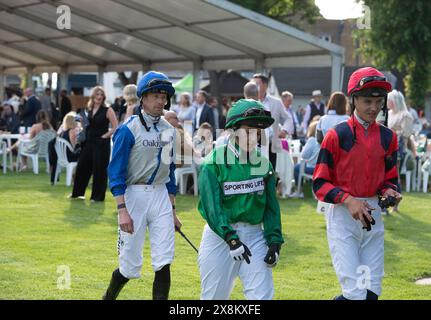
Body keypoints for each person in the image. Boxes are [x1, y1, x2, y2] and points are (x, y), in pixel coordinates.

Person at [312, 67, 402, 300]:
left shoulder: (388, 137)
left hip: (373, 215)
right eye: (366, 101)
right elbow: (319, 183)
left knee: (371, 291)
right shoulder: (336, 135)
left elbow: (389, 179)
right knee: (354, 293)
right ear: (353, 100)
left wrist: (390, 191)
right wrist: (348, 199)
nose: (374, 107)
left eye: (378, 101)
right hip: (343, 216)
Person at [103, 71, 182, 300]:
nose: (162, 101)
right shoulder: (128, 129)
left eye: (164, 96)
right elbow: (115, 172)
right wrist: (121, 209)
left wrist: (173, 211)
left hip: (160, 198)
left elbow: (170, 173)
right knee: (128, 267)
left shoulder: (168, 129)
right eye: (157, 95)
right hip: (133, 196)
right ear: (143, 97)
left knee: (164, 261)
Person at [197, 98, 284, 300]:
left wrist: (274, 242)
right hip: (220, 237)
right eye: (248, 130)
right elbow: (212, 209)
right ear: (233, 129)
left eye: (259, 131)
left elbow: (271, 208)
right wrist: (231, 238)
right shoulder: (213, 163)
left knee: (262, 298)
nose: (254, 137)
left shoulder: (264, 165)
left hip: (255, 236)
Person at [70, 86, 118, 202]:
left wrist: (105, 136)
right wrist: (79, 129)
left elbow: (115, 127)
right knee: (82, 167)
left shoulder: (108, 110)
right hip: (88, 142)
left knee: (99, 170)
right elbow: (82, 124)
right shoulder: (88, 109)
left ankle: (97, 197)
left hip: (101, 143)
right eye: (97, 94)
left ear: (103, 97)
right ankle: (77, 194)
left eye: (101, 95)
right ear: (93, 96)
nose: (99, 97)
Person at [252, 74, 288, 169]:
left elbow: (288, 118)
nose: (254, 87)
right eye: (252, 84)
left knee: (271, 171)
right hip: (254, 144)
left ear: (265, 85)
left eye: (257, 84)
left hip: (271, 144)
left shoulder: (276, 102)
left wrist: (284, 130)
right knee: (256, 172)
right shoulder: (249, 102)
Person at [293, 120, 320, 190]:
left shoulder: (312, 140)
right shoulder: (323, 140)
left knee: (296, 168)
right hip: (320, 168)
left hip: (312, 168)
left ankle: (299, 190)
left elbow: (304, 155)